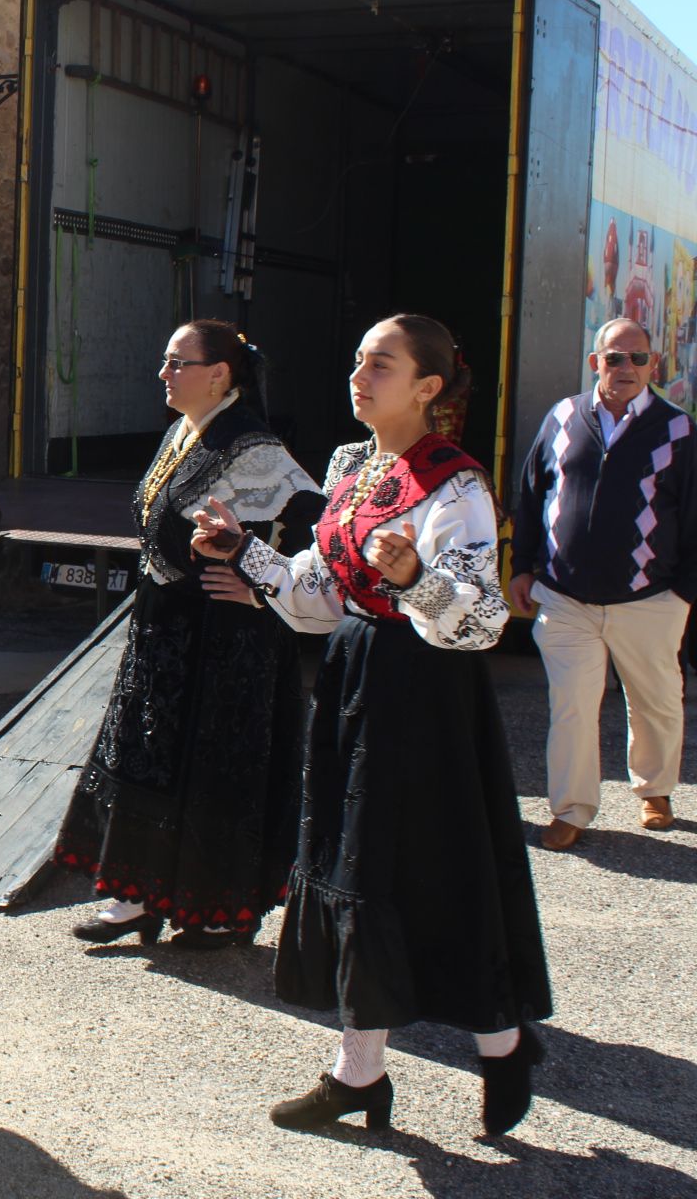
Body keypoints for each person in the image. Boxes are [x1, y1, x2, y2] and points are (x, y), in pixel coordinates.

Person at [192, 314, 551, 1137]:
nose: (360, 375)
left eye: (381, 364)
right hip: (357, 675)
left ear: (428, 386)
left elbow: (482, 622)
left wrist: (419, 577)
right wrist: (244, 551)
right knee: (355, 871)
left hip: (424, 696)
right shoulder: (353, 467)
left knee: (420, 875)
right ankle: (367, 1072)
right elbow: (317, 598)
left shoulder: (456, 484)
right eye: (358, 360)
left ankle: (497, 1046)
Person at [54, 321, 321, 950]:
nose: (164, 374)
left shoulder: (254, 447)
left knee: (215, 770)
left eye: (178, 363)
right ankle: (136, 898)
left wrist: (265, 588)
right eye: (165, 361)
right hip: (167, 631)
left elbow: (318, 529)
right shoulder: (184, 430)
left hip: (228, 641)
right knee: (147, 756)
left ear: (220, 374)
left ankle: (218, 910)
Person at [508, 317, 696, 850]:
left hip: (650, 598)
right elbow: (531, 493)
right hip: (566, 599)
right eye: (615, 358)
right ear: (597, 363)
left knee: (656, 699)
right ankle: (571, 809)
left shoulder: (678, 430)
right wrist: (523, 565)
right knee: (572, 704)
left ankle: (655, 790)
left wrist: (682, 593)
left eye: (638, 359)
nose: (626, 368)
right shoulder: (563, 417)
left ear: (652, 366)